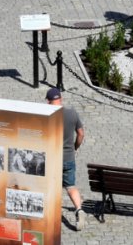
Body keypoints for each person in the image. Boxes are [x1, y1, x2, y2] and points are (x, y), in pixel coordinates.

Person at [47, 87, 86, 226]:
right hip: (69, 157)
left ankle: (52, 215)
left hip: (53, 158)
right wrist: (75, 147)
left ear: (48, 101)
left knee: (53, 187)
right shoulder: (72, 113)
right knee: (71, 186)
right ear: (61, 99)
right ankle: (79, 209)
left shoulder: (47, 115)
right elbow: (81, 134)